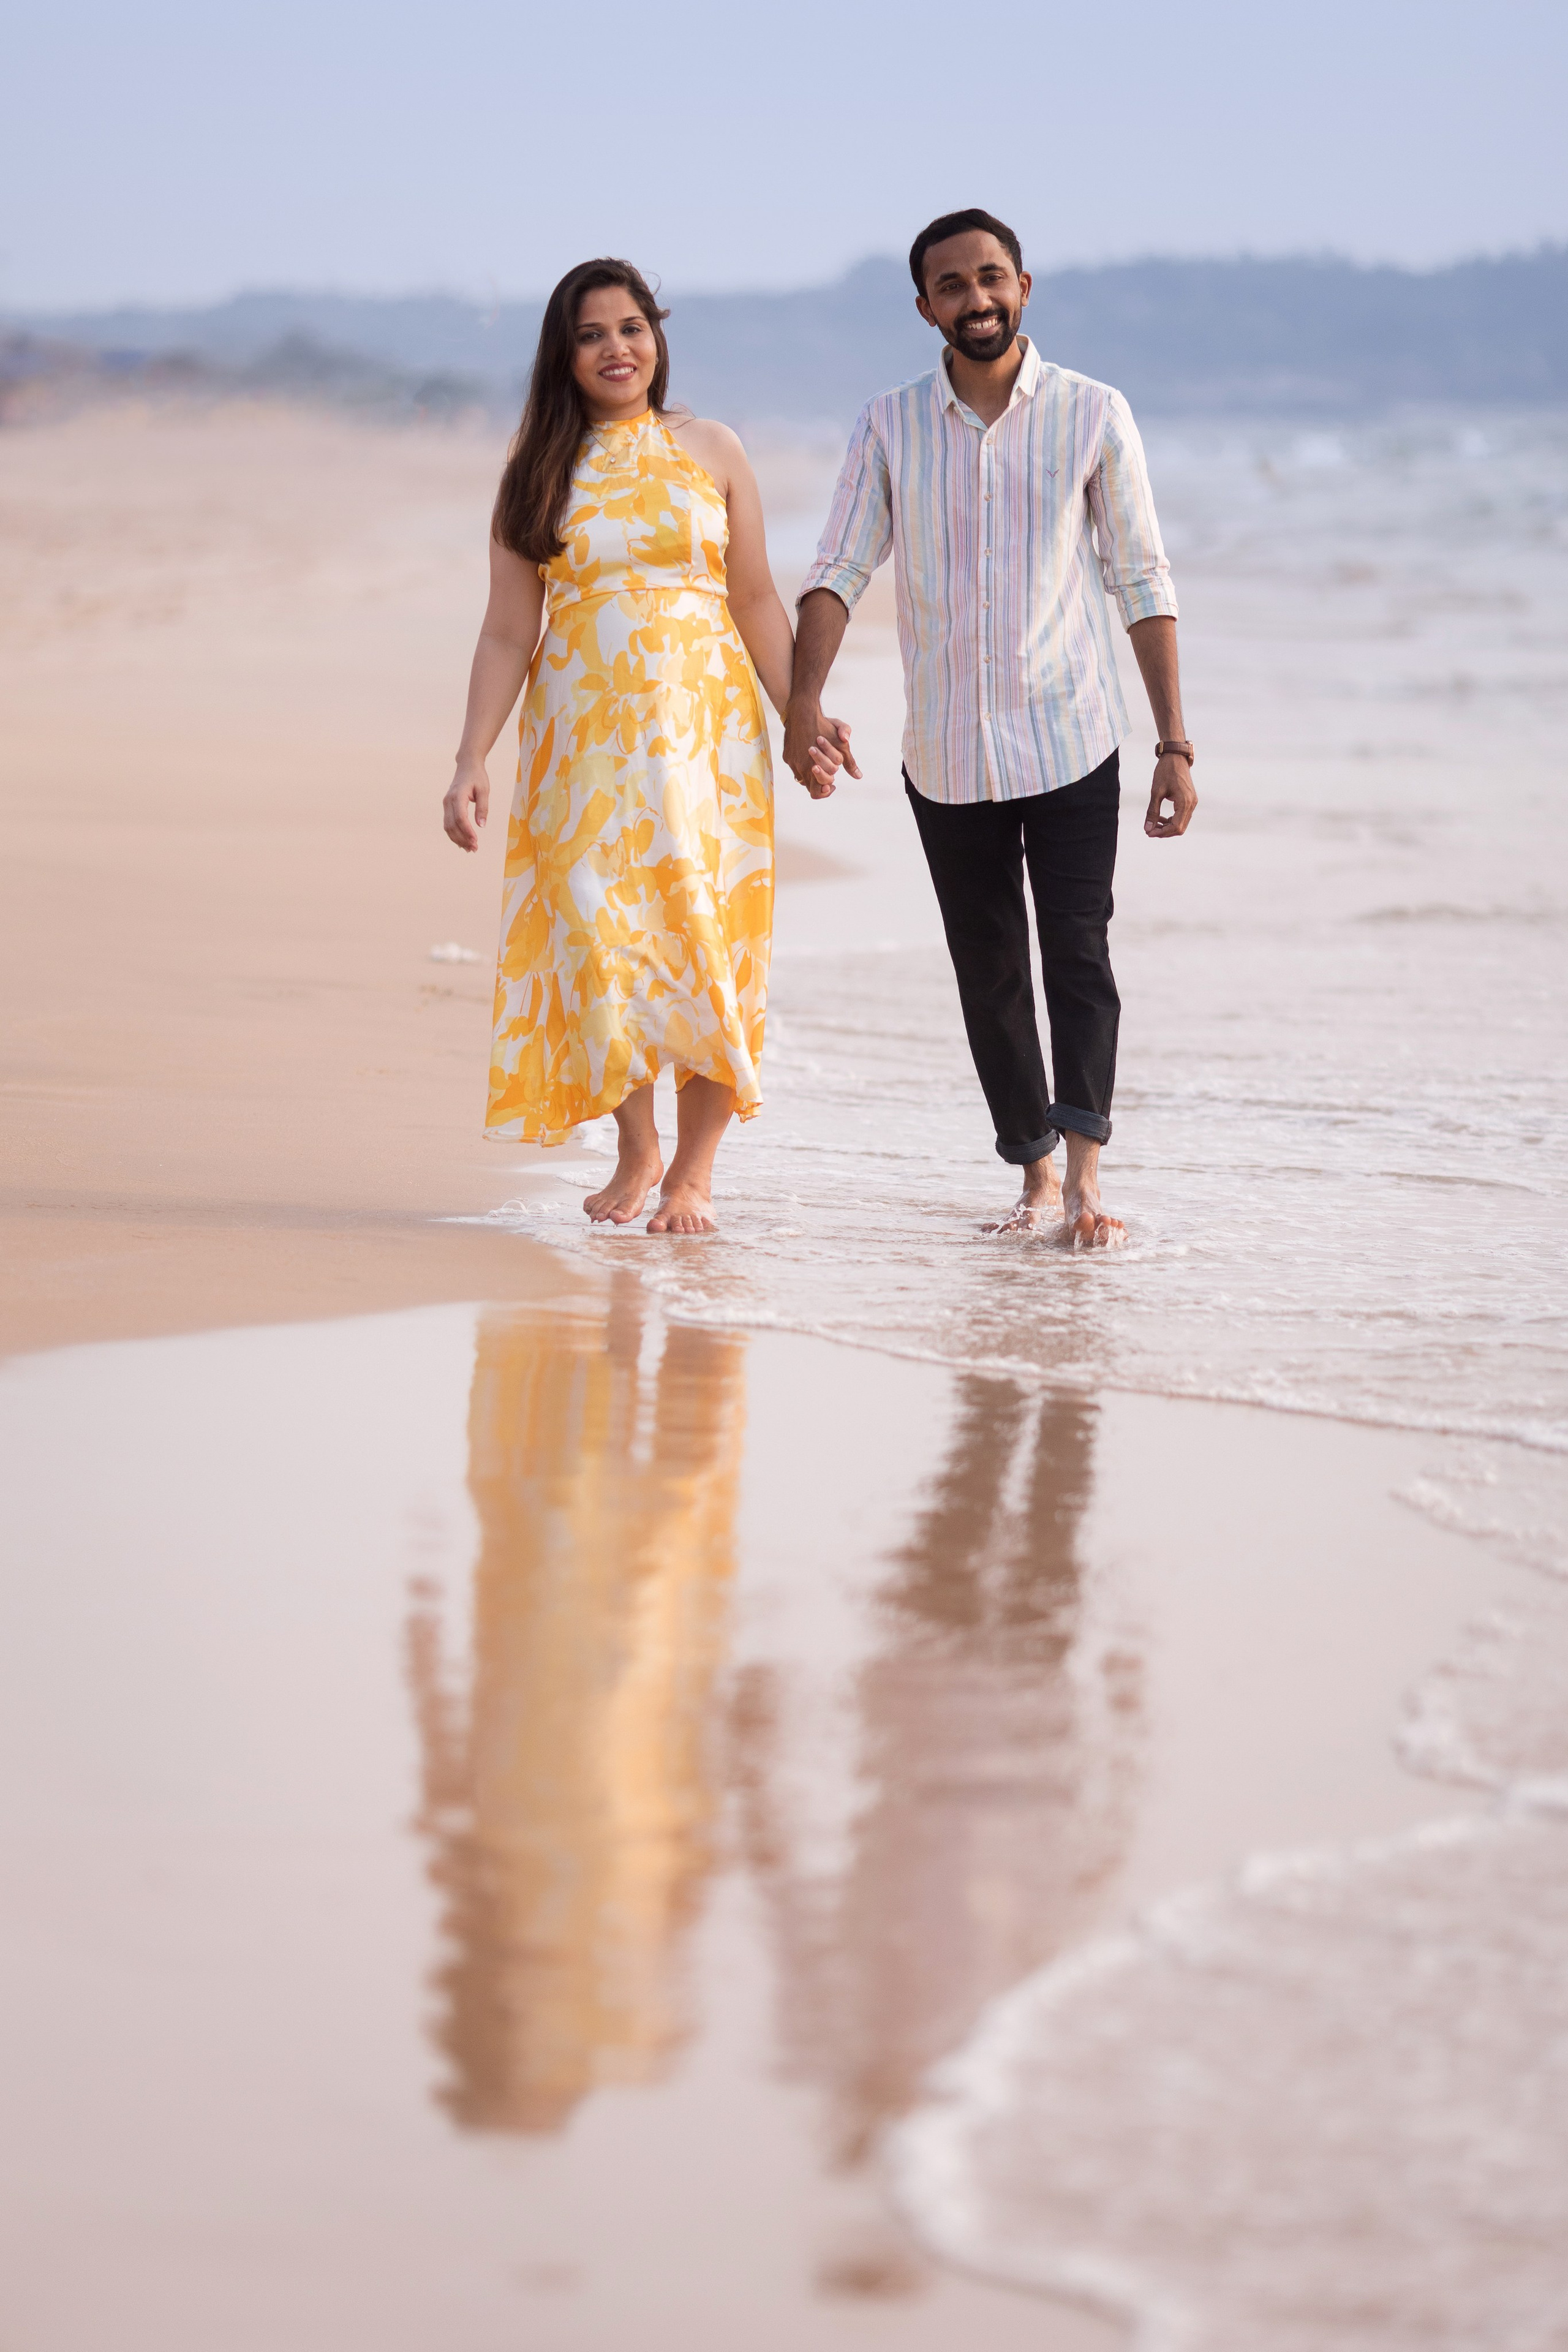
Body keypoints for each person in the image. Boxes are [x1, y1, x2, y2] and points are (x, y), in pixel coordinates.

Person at [784, 208, 1196, 1246]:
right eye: (954, 285)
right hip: (949, 752)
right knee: (989, 969)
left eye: (992, 277)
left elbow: (1140, 579)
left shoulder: (1095, 413)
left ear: (1025, 286)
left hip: (1071, 737)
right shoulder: (889, 425)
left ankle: (1089, 1174)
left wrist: (1174, 744)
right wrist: (801, 699)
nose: (977, 298)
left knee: (1078, 953)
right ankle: (1035, 1178)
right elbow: (838, 569)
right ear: (925, 307)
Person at [443, 258, 853, 1234]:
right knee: (600, 943)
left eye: (632, 327)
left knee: (706, 936)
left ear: (657, 338)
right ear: (564, 355)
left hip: (706, 741)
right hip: (582, 745)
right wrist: (471, 759)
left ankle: (695, 1176)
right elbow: (508, 629)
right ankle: (639, 1147)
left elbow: (754, 594)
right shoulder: (537, 469)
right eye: (592, 335)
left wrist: (802, 713)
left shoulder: (710, 447)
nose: (617, 349)